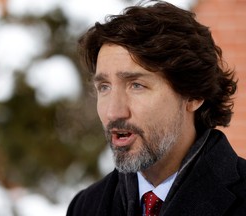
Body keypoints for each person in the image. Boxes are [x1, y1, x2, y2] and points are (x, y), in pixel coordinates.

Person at [67, 1, 246, 215]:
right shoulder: (85, 206)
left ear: (194, 95)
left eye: (137, 85)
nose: (113, 112)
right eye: (104, 87)